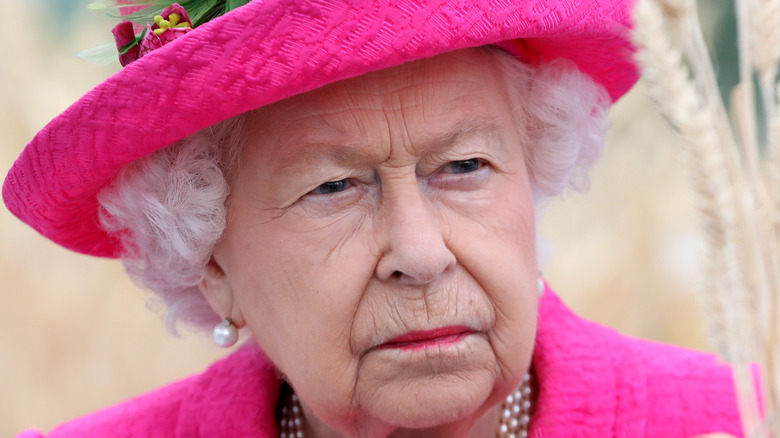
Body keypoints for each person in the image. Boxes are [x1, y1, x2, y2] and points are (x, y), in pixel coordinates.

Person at [3, 0, 751, 437]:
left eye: (464, 168)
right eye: (332, 187)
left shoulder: (735, 420)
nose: (421, 255)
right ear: (212, 263)